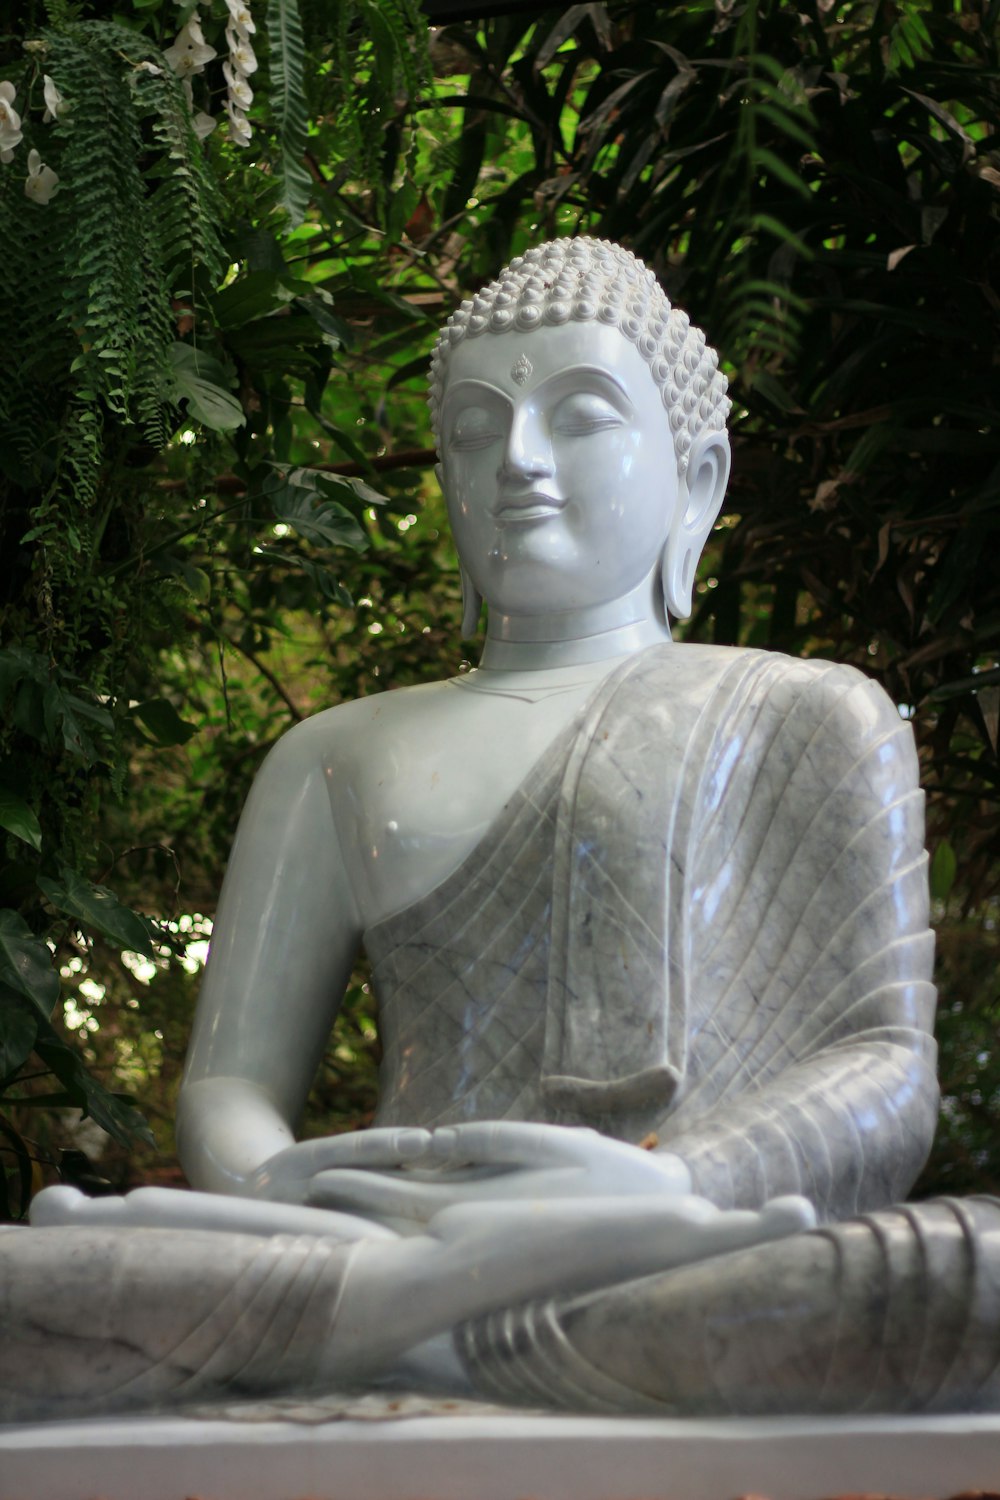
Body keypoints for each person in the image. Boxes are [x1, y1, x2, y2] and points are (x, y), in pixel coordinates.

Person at [24, 238, 995, 1419]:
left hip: (683, 1247)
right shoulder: (335, 754)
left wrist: (666, 1182)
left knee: (975, 1273)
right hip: (373, 1238)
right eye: (475, 431)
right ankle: (429, 1310)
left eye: (579, 415)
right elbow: (230, 1082)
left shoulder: (806, 711)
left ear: (694, 479)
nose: (517, 462)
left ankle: (423, 1329)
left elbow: (883, 1071)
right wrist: (281, 1178)